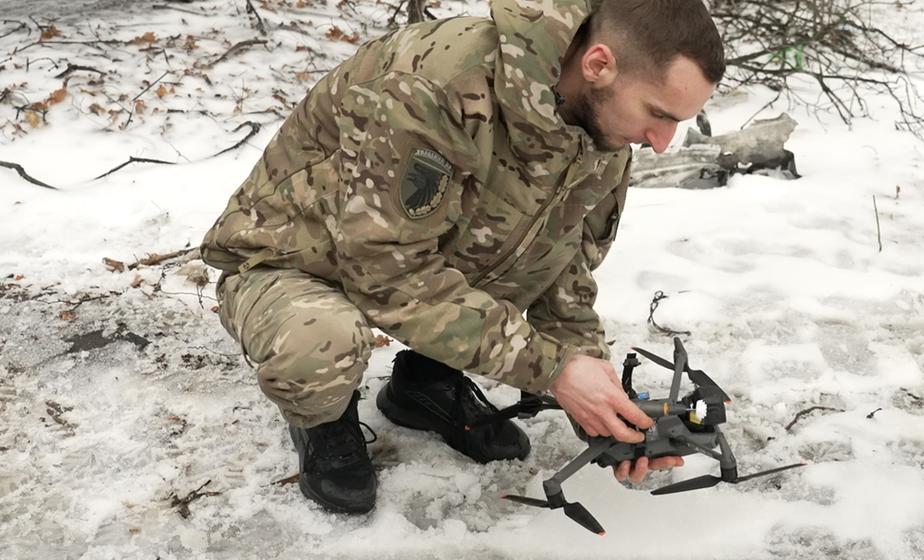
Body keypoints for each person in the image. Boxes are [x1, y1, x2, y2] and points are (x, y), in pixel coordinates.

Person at [200, 0, 725, 513]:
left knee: (522, 238)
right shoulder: (437, 85)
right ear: (599, 65)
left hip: (410, 254)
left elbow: (565, 267)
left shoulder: (599, 126)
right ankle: (324, 419)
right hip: (295, 260)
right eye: (658, 114)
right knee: (321, 345)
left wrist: (600, 409)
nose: (661, 143)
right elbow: (385, 273)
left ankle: (425, 384)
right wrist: (553, 370)